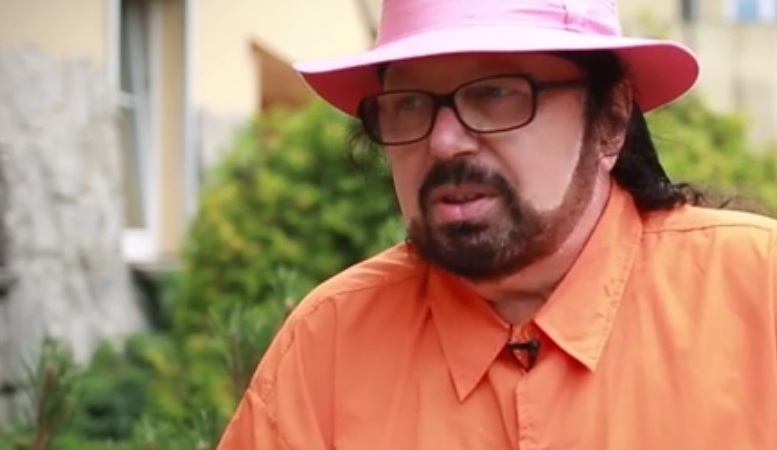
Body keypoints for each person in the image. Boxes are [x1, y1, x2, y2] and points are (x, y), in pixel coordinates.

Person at [215, 0, 777, 448]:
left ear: (609, 120)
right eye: (409, 104)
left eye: (497, 94)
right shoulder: (331, 343)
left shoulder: (757, 294)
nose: (444, 141)